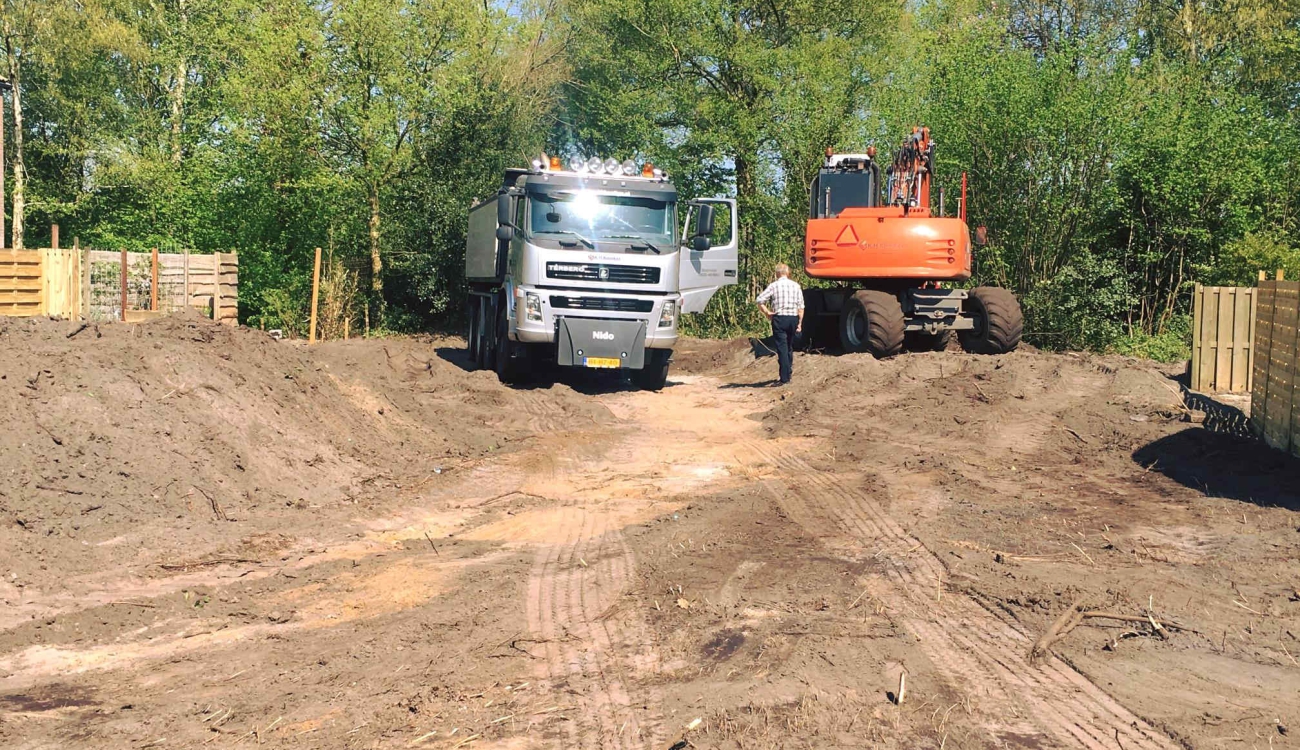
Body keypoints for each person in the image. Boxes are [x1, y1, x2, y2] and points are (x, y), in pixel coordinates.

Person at [755, 263, 805, 385]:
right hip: (793, 318)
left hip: (780, 319)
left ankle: (784, 378)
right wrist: (800, 323)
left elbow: (759, 300)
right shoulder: (796, 286)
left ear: (777, 274)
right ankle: (788, 372)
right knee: (789, 346)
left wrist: (767, 312)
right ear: (788, 273)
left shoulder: (774, 286)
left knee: (782, 348)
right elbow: (801, 307)